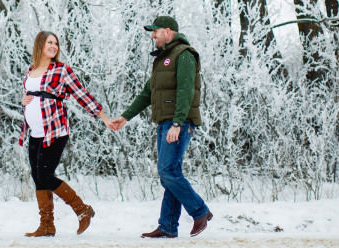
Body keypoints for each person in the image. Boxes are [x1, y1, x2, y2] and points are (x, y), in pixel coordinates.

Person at [110, 15, 212, 238]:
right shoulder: (163, 59)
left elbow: (186, 91)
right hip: (165, 121)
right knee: (170, 173)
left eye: (155, 31)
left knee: (167, 172)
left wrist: (177, 123)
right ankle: (167, 226)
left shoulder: (184, 55)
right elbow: (148, 93)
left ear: (168, 31)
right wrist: (125, 117)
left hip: (178, 122)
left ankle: (200, 211)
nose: (153, 36)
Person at [18, 30, 113, 237]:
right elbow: (29, 94)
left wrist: (104, 117)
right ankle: (46, 225)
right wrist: (23, 100)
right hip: (35, 132)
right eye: (49, 42)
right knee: (37, 177)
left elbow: (81, 95)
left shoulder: (61, 70)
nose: (54, 46)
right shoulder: (31, 70)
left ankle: (82, 209)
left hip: (55, 131)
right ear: (40, 45)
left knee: (45, 175)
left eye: (56, 43)